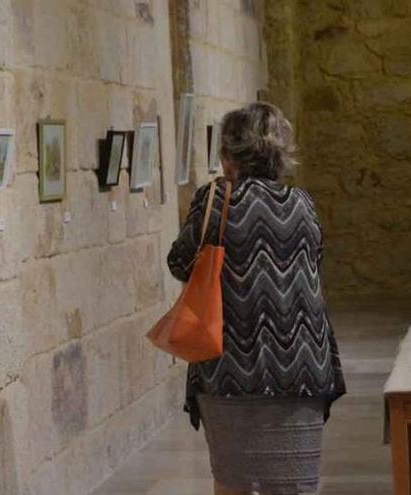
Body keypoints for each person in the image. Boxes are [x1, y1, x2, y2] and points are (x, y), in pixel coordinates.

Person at [167, 102, 346, 495]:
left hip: (232, 367)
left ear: (229, 152)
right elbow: (314, 265)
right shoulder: (302, 202)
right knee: (297, 485)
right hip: (302, 368)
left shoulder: (218, 199)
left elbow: (179, 263)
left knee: (234, 483)